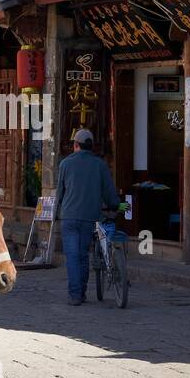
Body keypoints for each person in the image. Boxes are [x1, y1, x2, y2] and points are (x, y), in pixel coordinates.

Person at [55, 128, 121, 306]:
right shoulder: (99, 165)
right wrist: (114, 204)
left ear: (76, 145)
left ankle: (76, 294)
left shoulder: (65, 164)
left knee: (72, 256)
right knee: (83, 254)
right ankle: (81, 292)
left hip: (69, 216)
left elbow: (59, 192)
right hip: (89, 217)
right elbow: (109, 192)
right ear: (91, 147)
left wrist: (55, 213)